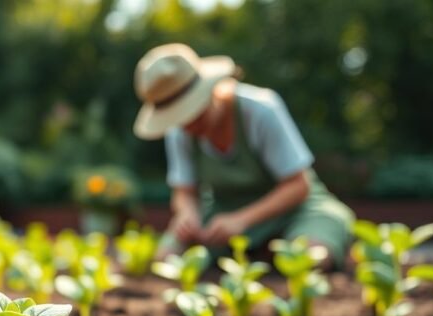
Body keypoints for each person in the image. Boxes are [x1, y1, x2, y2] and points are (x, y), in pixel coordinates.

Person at [133, 43, 354, 266]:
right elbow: (184, 192)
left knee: (309, 259)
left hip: (295, 210)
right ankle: (260, 254)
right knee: (166, 260)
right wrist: (187, 214)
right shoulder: (179, 131)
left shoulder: (260, 110)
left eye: (192, 113)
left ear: (210, 91)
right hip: (222, 216)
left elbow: (299, 186)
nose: (187, 126)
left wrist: (242, 220)